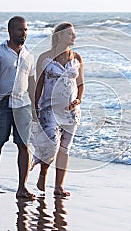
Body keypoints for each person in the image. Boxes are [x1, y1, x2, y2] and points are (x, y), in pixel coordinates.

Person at [0, 16, 35, 199]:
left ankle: (22, 187)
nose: (24, 33)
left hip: (23, 105)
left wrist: (35, 108)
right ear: (10, 31)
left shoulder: (29, 54)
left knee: (24, 145)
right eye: (20, 30)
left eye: (26, 30)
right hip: (2, 104)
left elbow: (31, 83)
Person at [34, 22, 84, 197]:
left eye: (74, 34)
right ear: (60, 36)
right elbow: (39, 84)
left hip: (70, 112)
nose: (74, 37)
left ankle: (59, 186)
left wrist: (78, 100)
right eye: (70, 34)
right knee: (52, 145)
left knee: (65, 148)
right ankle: (43, 173)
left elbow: (81, 84)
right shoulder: (45, 57)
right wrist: (35, 108)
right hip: (49, 109)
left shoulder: (77, 58)